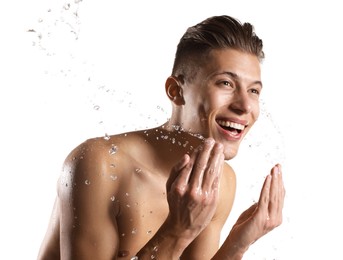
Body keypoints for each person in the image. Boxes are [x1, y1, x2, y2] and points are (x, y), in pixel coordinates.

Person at [38, 15, 285, 260]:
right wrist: (178, 230)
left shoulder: (220, 181)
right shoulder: (100, 164)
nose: (244, 105)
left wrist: (238, 244)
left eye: (254, 90)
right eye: (226, 83)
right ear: (176, 91)